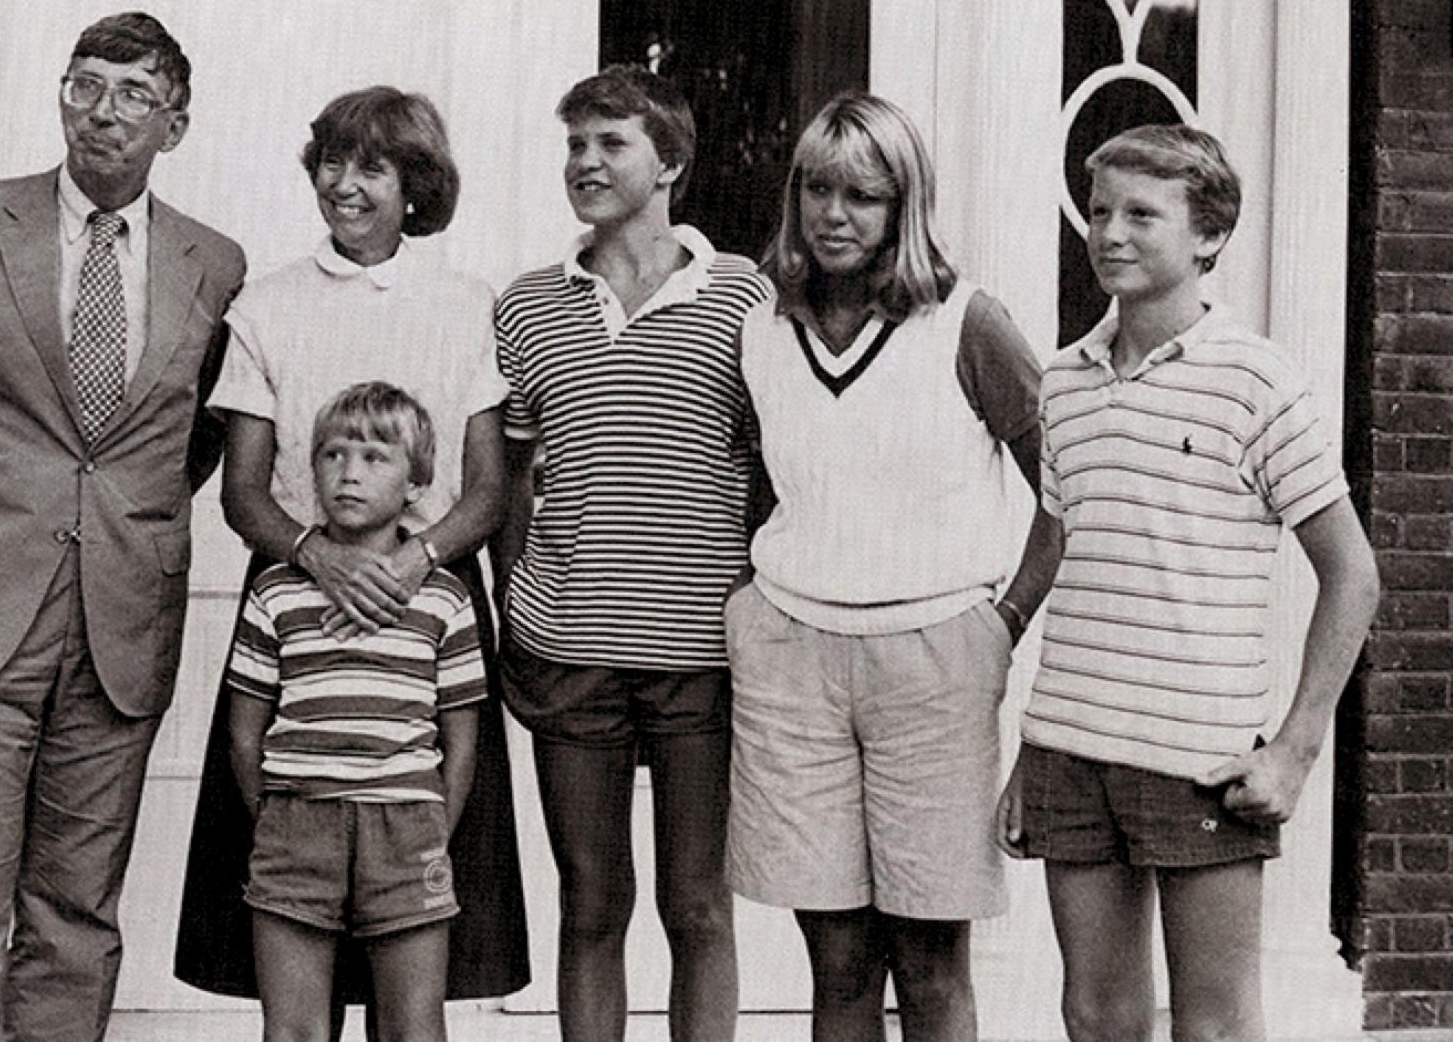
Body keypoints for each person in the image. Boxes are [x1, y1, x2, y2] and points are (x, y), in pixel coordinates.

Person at [0, 11, 247, 1041]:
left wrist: (118, 522)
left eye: (133, 94)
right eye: (84, 86)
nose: (104, 114)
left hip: (119, 623)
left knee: (76, 912)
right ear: (61, 99)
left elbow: (195, 436)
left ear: (175, 122)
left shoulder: (213, 266)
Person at [995, 124, 1381, 1041]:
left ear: (1208, 235)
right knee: (1096, 1014)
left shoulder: (1255, 380)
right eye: (1098, 211)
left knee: (1211, 1026)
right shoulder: (1063, 383)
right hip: (1072, 749)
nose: (1109, 233)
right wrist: (1028, 748)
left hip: (1199, 762)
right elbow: (1072, 554)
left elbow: (1352, 574)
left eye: (1141, 213)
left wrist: (1292, 750)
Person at [173, 86, 529, 1026]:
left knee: (416, 927)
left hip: (430, 603)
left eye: (371, 165)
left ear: (415, 185)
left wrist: (415, 564)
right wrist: (316, 558)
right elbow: (244, 488)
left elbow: (488, 487)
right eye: (332, 160)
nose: (345, 182)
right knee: (293, 912)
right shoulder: (270, 303)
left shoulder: (461, 304)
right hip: (298, 600)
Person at [724, 90, 1061, 1042]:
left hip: (932, 658)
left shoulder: (967, 324)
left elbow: (1066, 491)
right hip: (794, 652)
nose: (835, 216)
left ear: (903, 205)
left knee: (928, 958)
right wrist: (751, 602)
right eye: (818, 191)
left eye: (863, 196)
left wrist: (1003, 621)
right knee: (834, 959)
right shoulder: (761, 327)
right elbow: (770, 481)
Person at [493, 64, 771, 1042]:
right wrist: (516, 616)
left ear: (671, 164)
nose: (585, 161)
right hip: (568, 649)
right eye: (575, 144)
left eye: (610, 143)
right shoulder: (528, 306)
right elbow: (514, 482)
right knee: (590, 906)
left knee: (696, 906)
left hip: (701, 656)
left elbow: (777, 470)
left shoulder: (745, 298)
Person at [226, 382, 484, 1042]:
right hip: (296, 828)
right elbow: (245, 728)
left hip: (406, 832)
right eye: (333, 455)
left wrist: (429, 826)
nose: (349, 473)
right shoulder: (276, 593)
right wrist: (278, 815)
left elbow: (460, 740)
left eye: (375, 458)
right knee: (294, 1030)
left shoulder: (444, 601)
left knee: (413, 1027)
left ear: (417, 483)